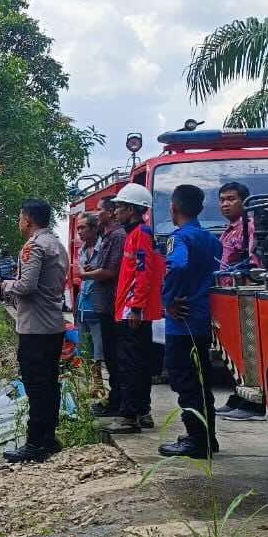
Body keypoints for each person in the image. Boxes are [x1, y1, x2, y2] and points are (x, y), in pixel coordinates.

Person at [1, 198, 70, 463]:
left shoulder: (34, 246)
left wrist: (7, 285)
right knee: (50, 384)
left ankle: (35, 443)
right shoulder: (57, 244)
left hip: (35, 328)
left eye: (20, 218)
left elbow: (27, 285)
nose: (19, 222)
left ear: (27, 219)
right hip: (53, 325)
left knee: (36, 386)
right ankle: (49, 437)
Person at [158, 184, 223, 459]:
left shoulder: (179, 238)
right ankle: (207, 436)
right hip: (203, 316)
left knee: (184, 380)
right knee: (201, 379)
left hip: (182, 320)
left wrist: (168, 300)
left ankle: (196, 441)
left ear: (173, 208)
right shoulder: (211, 239)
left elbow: (178, 265)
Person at [109, 183, 165, 434]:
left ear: (131, 209)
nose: (116, 212)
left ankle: (128, 415)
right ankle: (142, 411)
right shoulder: (135, 234)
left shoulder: (140, 234)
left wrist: (136, 306)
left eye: (119, 207)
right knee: (139, 362)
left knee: (129, 364)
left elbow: (144, 272)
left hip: (132, 311)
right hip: (131, 308)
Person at [216, 181, 266, 421]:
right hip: (230, 296)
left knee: (249, 352)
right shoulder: (230, 229)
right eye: (222, 199)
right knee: (234, 353)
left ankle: (253, 404)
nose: (225, 204)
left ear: (244, 202)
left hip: (245, 297)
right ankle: (239, 396)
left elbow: (255, 263)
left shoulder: (249, 227)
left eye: (231, 199)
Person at [81, 198, 126, 417]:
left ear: (110, 212)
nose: (96, 213)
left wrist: (85, 274)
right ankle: (113, 400)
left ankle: (119, 404)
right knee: (107, 354)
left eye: (99, 209)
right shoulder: (109, 237)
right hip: (102, 305)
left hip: (110, 304)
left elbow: (111, 271)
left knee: (112, 356)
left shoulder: (117, 236)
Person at [74, 215, 105, 385]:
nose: (79, 231)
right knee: (84, 346)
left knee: (99, 348)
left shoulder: (104, 247)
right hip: (83, 305)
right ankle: (90, 383)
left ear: (94, 229)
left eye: (83, 227)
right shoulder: (82, 250)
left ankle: (98, 382)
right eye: (78, 228)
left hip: (98, 303)